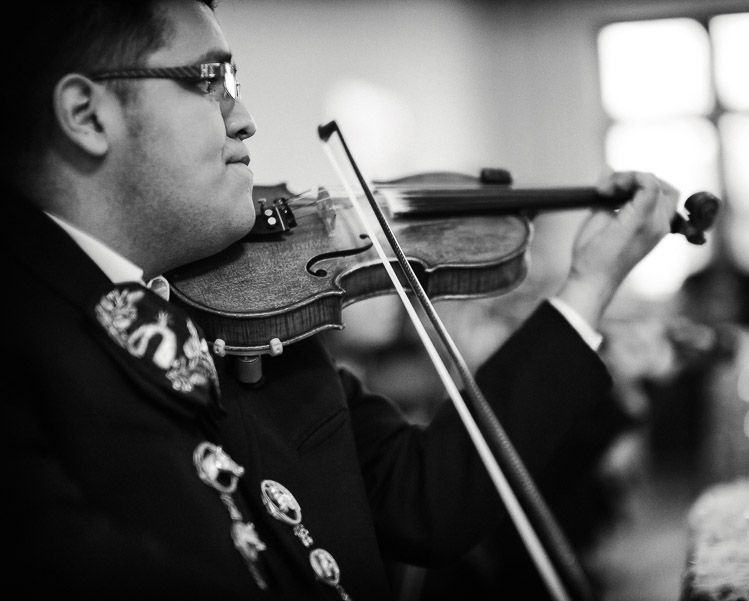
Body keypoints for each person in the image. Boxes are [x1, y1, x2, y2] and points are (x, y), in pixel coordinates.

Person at [1, 1, 680, 599]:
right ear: (88, 114)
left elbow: (428, 497)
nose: (245, 119)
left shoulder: (246, 308)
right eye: (210, 80)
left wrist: (589, 282)